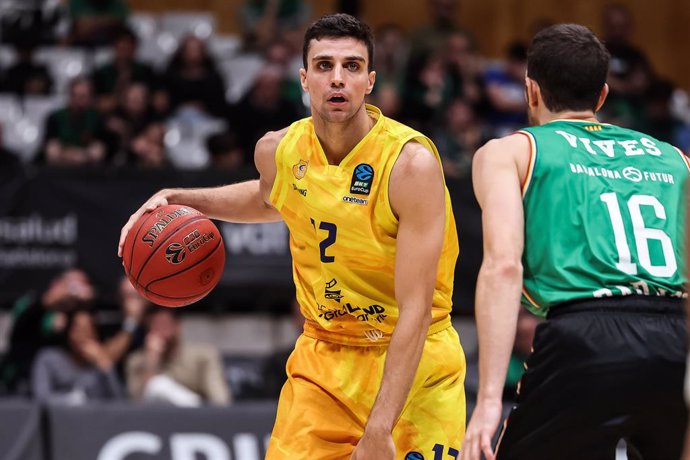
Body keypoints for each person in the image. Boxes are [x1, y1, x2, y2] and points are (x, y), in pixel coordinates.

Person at [118, 13, 465, 459]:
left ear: (370, 81)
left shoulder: (409, 165)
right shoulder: (278, 150)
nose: (337, 79)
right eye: (324, 66)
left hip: (414, 362)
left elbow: (416, 310)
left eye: (352, 66)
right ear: (304, 78)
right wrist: (180, 198)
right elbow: (269, 199)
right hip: (324, 357)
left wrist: (380, 428)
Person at [461, 24, 689, 460]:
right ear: (602, 96)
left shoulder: (510, 151)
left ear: (530, 90)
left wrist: (489, 400)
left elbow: (504, 266)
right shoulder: (675, 158)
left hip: (585, 337)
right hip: (677, 337)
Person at [126, 308, 231, 407]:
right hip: (156, 420)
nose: (160, 331)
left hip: (197, 417)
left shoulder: (203, 357)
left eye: (164, 324)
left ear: (177, 326)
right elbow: (137, 404)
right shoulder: (137, 360)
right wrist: (151, 360)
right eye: (154, 326)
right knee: (156, 386)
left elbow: (220, 401)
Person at [31, 308, 125, 404]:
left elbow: (119, 403)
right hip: (58, 417)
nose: (82, 336)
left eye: (87, 330)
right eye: (78, 329)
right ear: (68, 332)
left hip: (93, 417)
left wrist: (105, 364)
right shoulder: (48, 358)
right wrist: (72, 400)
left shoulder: (100, 367)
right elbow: (41, 398)